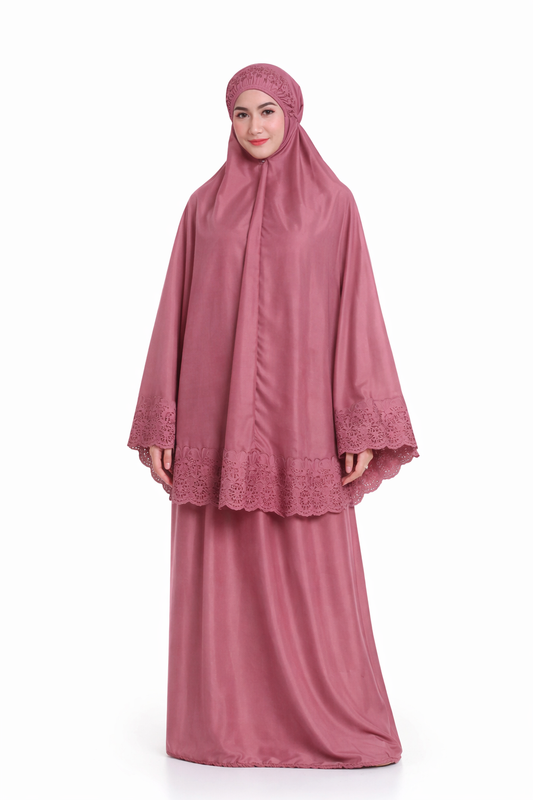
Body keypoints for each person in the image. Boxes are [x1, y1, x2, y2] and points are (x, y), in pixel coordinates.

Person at [127, 63, 419, 769]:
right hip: (212, 415)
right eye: (240, 113)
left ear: (292, 113)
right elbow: (172, 316)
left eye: (266, 111)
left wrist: (356, 419)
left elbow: (355, 311)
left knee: (308, 557)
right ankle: (220, 723)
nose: (254, 126)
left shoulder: (333, 205)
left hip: (301, 415)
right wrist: (163, 420)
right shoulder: (203, 208)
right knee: (222, 551)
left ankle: (329, 714)